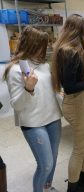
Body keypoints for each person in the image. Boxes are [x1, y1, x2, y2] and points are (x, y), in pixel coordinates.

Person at [3, 26, 62, 192]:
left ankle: (47, 187)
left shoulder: (42, 64)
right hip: (33, 123)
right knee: (46, 164)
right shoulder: (15, 70)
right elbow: (16, 105)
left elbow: (49, 90)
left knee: (54, 157)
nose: (45, 49)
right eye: (42, 45)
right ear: (31, 45)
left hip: (53, 117)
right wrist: (28, 88)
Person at [51, 14, 84, 192]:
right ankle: (74, 187)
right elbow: (70, 86)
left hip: (82, 102)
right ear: (77, 30)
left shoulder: (71, 48)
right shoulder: (69, 51)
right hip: (75, 104)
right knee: (80, 147)